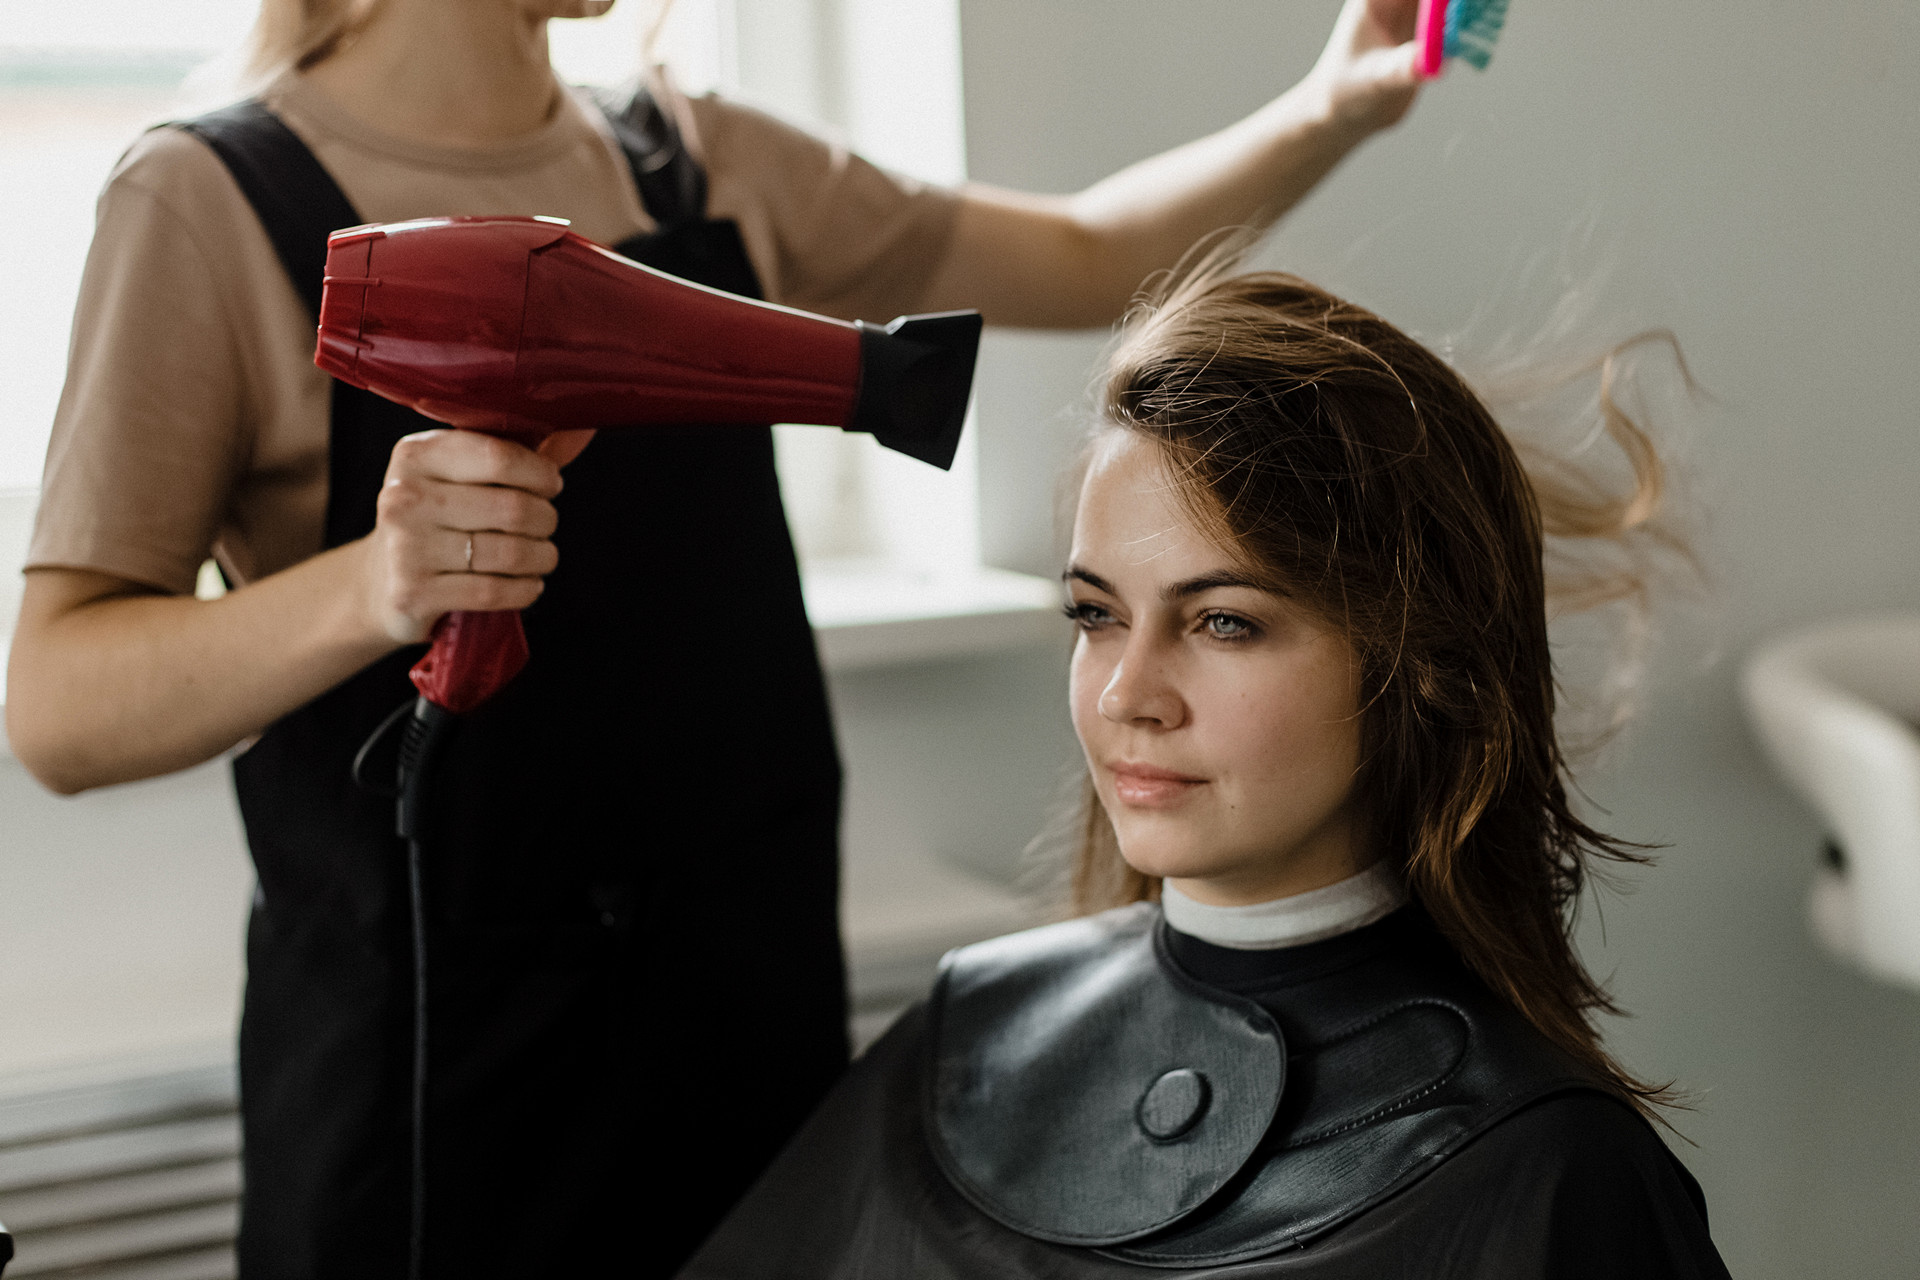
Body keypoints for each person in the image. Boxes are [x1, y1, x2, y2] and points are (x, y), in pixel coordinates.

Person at [3, 0, 1439, 1274]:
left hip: (744, 1044)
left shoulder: (693, 162)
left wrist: (1335, 102)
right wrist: (376, 586)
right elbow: (59, 704)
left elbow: (1088, 252)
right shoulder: (205, 202)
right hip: (429, 1094)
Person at [678, 268, 1732, 1279]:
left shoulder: (1547, 1166)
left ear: (1419, 666)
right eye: (1097, 613)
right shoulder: (963, 1036)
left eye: (1224, 621)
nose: (1128, 692)